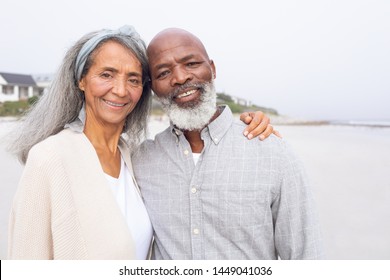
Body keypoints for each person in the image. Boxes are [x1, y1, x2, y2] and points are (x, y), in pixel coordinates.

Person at [6, 26, 274, 260]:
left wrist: (243, 125)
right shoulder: (50, 158)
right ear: (82, 80)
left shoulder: (136, 159)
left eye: (133, 79)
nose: (121, 90)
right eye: (107, 75)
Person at [132, 28, 324, 260]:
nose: (181, 78)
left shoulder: (271, 151)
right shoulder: (141, 161)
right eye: (163, 73)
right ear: (152, 87)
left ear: (212, 69)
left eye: (191, 64)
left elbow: (306, 257)